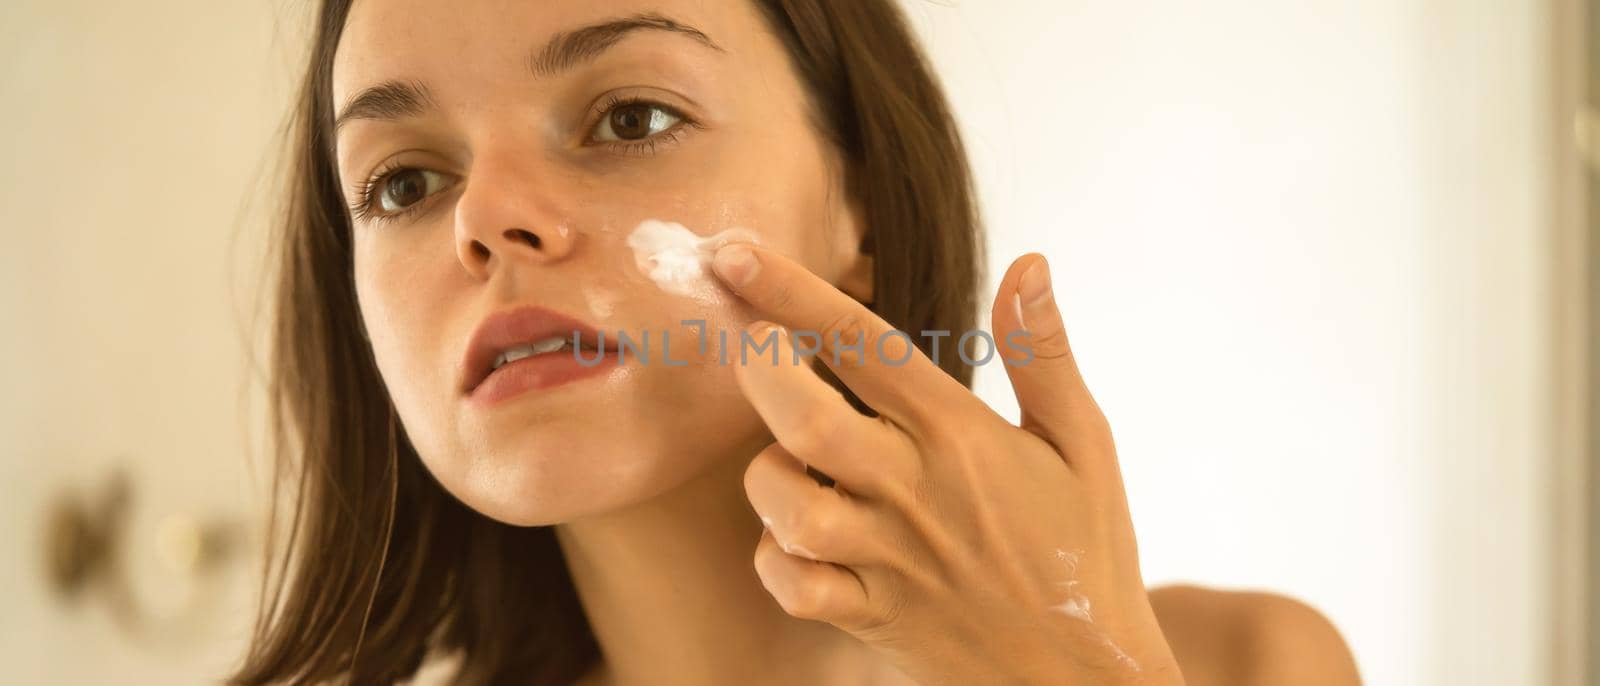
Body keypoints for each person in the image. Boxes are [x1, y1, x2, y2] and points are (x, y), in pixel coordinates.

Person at [233, 1, 1362, 684]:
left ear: (858, 205)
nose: (485, 217)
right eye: (405, 182)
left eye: (630, 118)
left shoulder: (1251, 668)